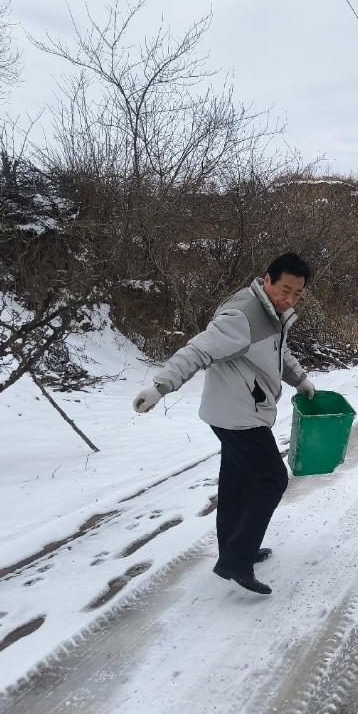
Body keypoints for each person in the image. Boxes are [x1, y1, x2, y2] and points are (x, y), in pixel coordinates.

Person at [132, 253, 316, 596]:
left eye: (297, 293)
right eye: (285, 289)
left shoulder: (270, 313)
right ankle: (237, 558)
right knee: (271, 480)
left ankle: (232, 551)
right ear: (267, 280)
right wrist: (160, 387)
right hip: (239, 417)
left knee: (235, 483)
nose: (289, 299)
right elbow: (197, 350)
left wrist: (300, 379)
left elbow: (277, 353)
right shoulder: (242, 317)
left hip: (236, 411)